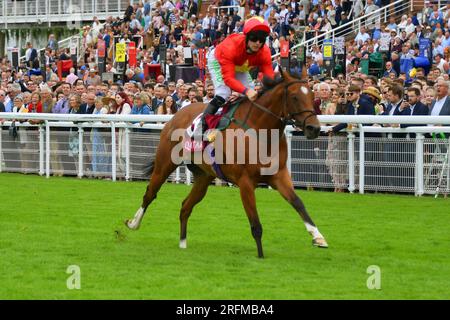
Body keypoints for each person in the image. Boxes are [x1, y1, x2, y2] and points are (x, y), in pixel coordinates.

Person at [196, 17, 275, 141]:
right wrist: (246, 91)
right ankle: (201, 127)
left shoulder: (265, 51)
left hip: (241, 64)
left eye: (262, 40)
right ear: (247, 37)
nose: (258, 43)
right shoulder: (231, 47)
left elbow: (269, 76)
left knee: (253, 95)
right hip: (219, 59)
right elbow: (228, 79)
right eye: (254, 38)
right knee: (224, 93)